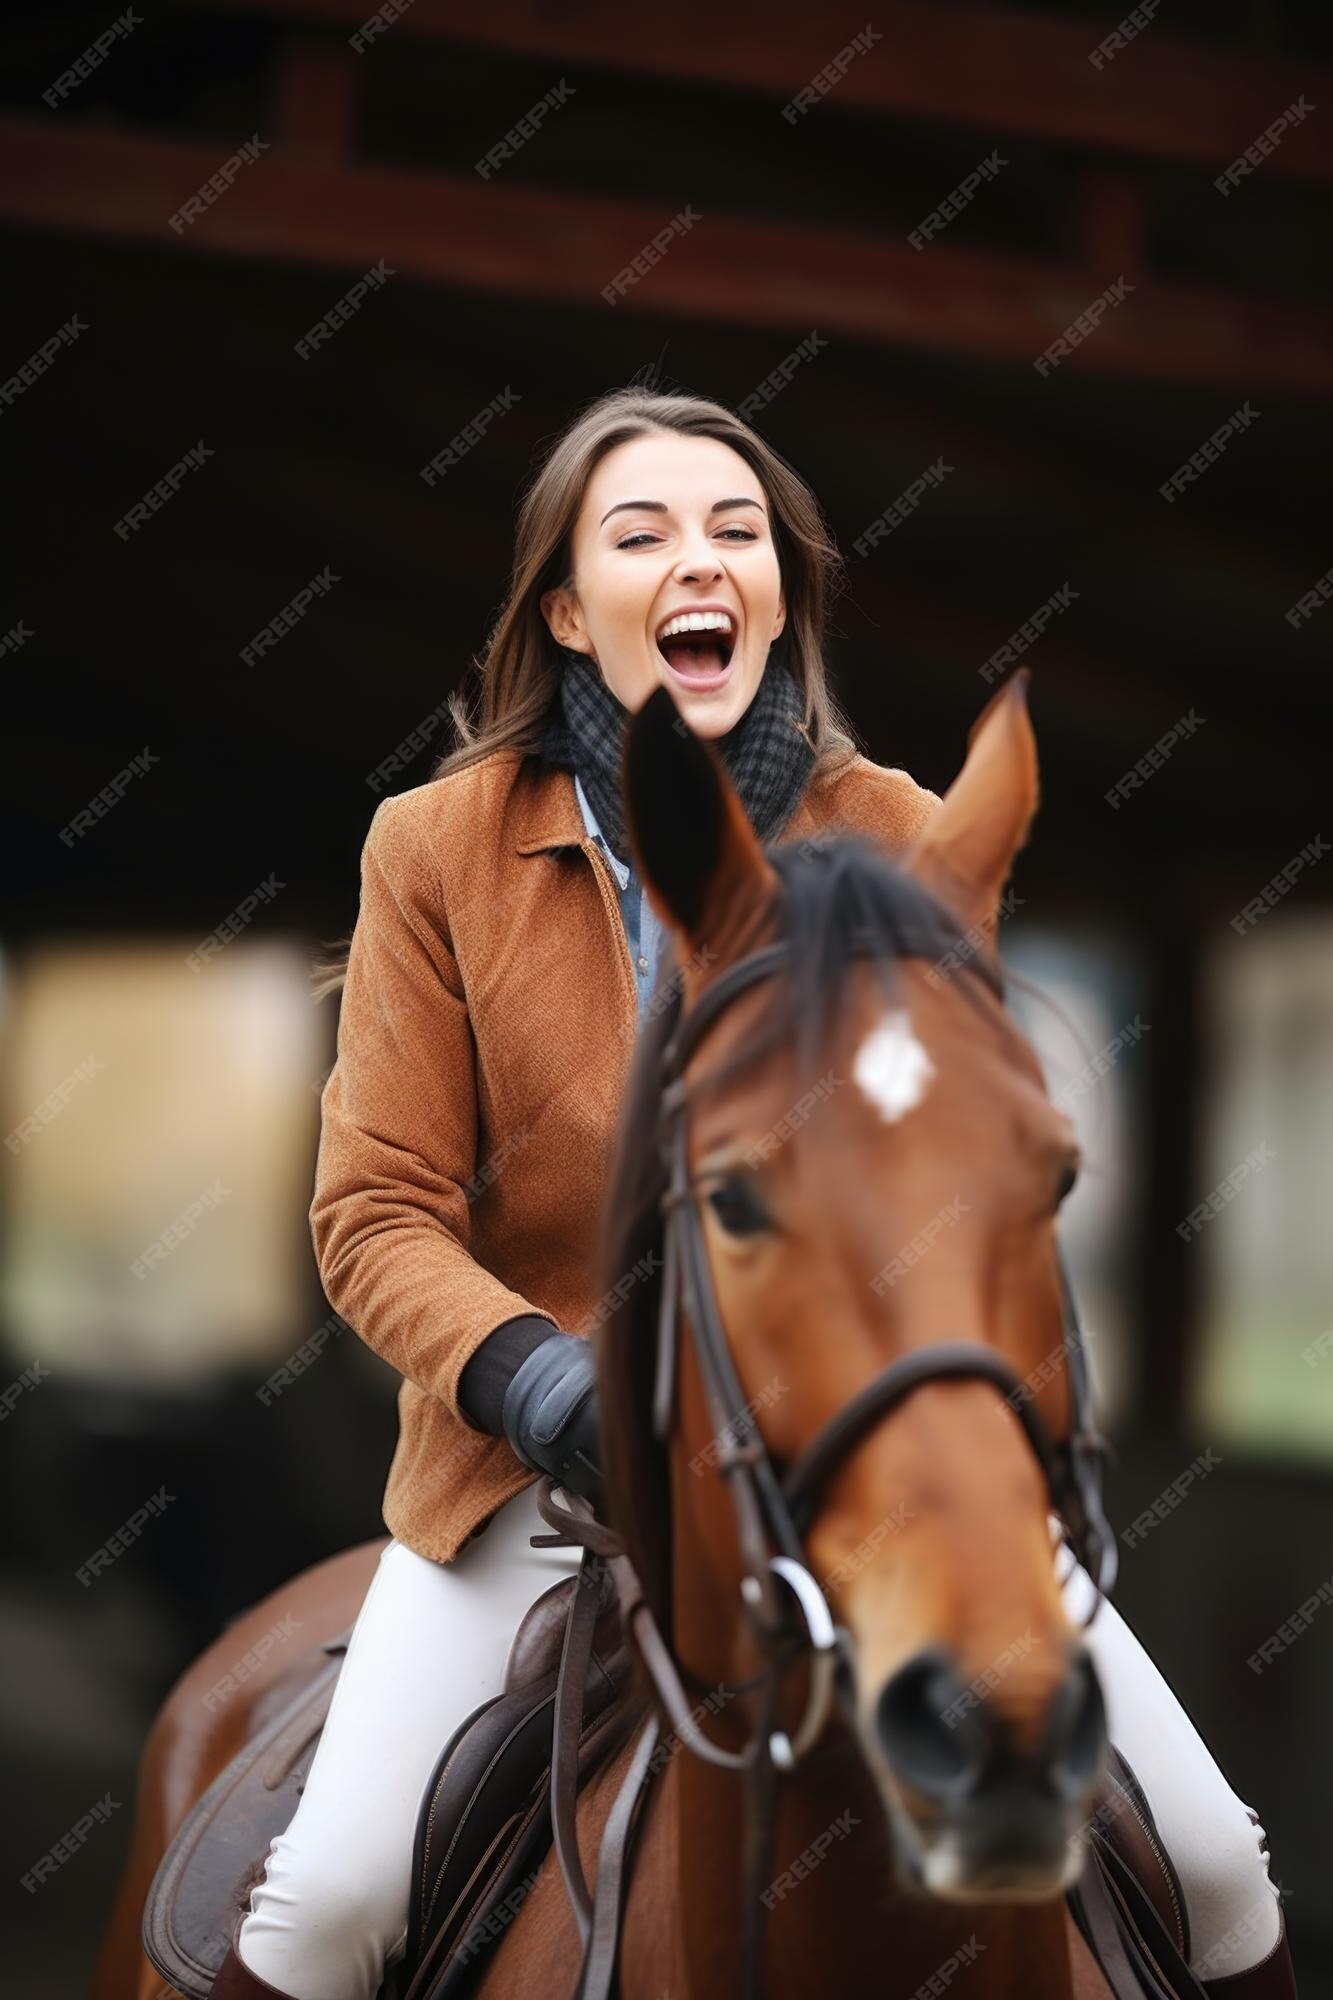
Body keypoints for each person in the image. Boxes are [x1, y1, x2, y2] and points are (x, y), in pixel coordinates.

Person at [210, 388, 1293, 1998]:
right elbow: (374, 1211)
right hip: (543, 1490)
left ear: (779, 593)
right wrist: (540, 1378)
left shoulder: (909, 840)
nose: (697, 560)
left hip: (879, 1460)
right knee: (322, 1905)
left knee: (1215, 1872)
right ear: (570, 612)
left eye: (738, 533)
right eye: (640, 534)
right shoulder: (430, 851)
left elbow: (959, 1180)